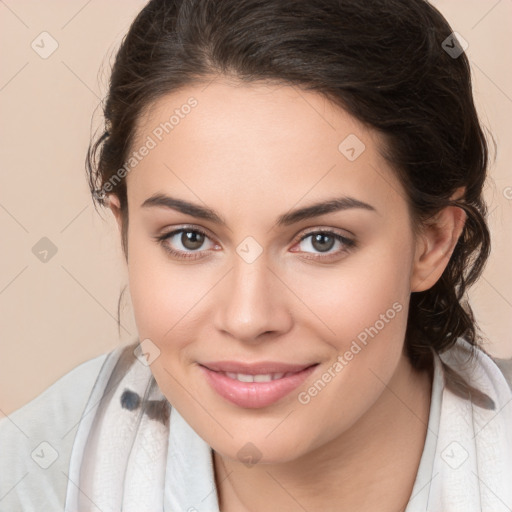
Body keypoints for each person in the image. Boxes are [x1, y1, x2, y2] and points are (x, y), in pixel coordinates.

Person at [1, 0, 511, 510]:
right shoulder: (29, 479)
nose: (248, 318)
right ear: (125, 230)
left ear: (433, 242)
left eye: (321, 241)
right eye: (190, 238)